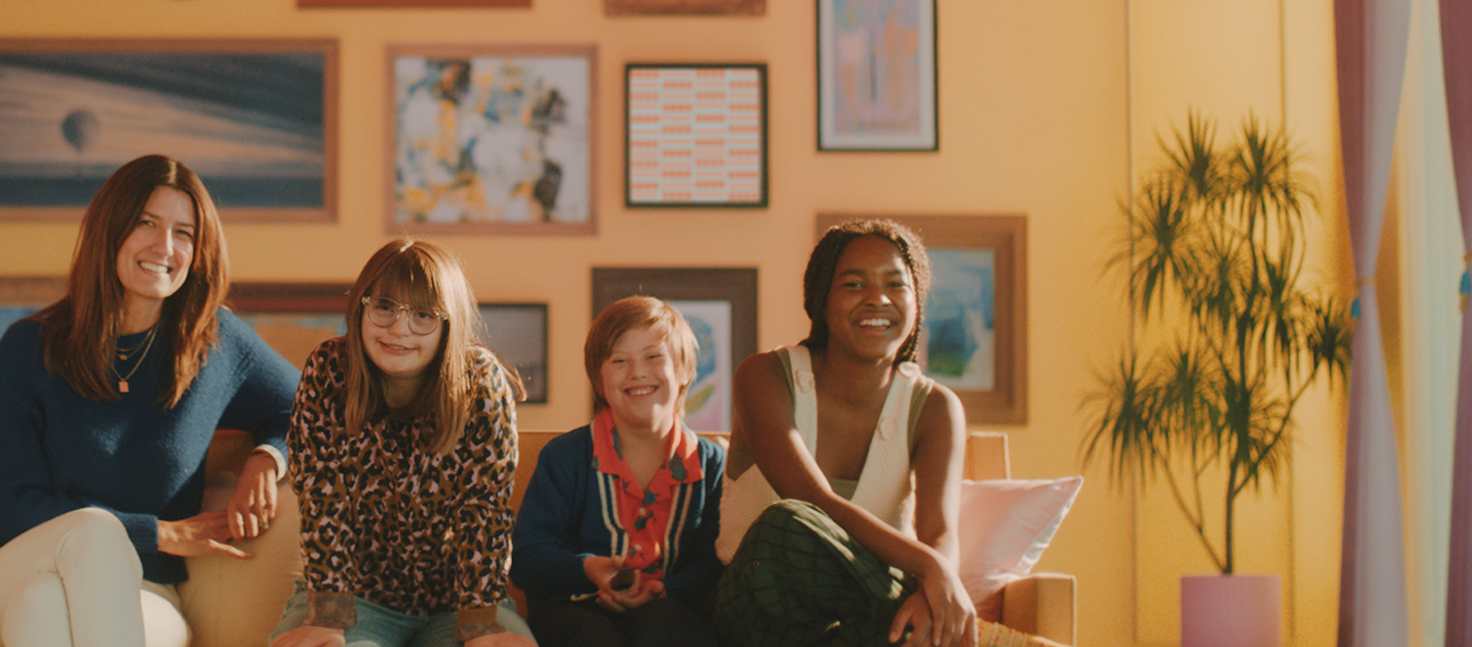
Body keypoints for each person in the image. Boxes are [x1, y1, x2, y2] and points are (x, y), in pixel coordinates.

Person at [0, 154, 301, 647]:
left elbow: (311, 406)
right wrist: (161, 534)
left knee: (42, 608)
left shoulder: (215, 344)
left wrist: (267, 457)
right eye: (146, 224)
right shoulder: (31, 347)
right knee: (89, 536)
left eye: (185, 233)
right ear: (109, 231)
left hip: (145, 593)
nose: (165, 247)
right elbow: (5, 507)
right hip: (0, 579)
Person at [710, 220, 1066, 647]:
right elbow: (809, 497)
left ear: (916, 303)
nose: (877, 298)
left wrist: (934, 579)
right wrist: (932, 570)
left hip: (852, 629)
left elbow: (939, 532)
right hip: (754, 608)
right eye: (854, 284)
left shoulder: (934, 407)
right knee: (787, 523)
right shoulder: (765, 377)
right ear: (821, 299)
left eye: (896, 285)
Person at [270, 238, 537, 647]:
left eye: (423, 315)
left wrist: (481, 624)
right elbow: (325, 502)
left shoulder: (482, 383)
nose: (399, 328)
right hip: (352, 596)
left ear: (449, 323)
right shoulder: (328, 371)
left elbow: (485, 513)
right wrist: (328, 618)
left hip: (459, 602)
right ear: (360, 306)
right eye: (384, 307)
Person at [511, 296, 725, 647]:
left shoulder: (712, 463)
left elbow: (713, 563)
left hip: (668, 610)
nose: (637, 372)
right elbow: (528, 558)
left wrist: (667, 589)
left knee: (666, 625)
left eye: (654, 357)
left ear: (686, 370)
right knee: (590, 636)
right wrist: (586, 568)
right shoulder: (564, 457)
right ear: (598, 380)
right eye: (619, 361)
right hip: (572, 613)